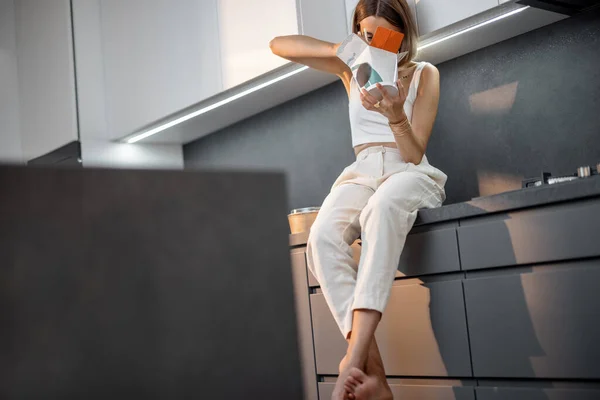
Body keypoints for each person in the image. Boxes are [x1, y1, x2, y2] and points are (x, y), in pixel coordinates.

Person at [271, 1, 447, 398]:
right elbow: (278, 44)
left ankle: (353, 358)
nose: (376, 42)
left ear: (402, 32)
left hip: (407, 170)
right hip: (361, 169)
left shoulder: (423, 74)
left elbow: (414, 152)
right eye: (368, 34)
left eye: (385, 34)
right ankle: (377, 379)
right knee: (321, 239)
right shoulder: (352, 70)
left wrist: (395, 113)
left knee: (381, 210)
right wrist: (344, 50)